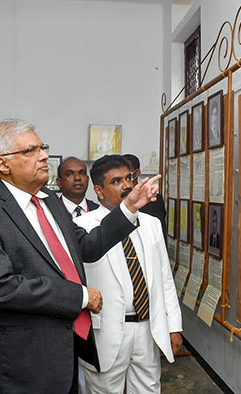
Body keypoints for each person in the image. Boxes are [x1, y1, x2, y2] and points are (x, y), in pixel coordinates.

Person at [0, 119, 160, 394]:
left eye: (42, 148)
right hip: (23, 361)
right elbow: (1, 287)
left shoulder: (49, 201)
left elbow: (87, 245)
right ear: (3, 164)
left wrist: (128, 208)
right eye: (31, 151)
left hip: (65, 351)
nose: (43, 155)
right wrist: (80, 296)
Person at [74, 155, 183, 394]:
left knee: (149, 389)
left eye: (129, 178)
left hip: (147, 328)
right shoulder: (84, 227)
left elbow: (164, 277)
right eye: (116, 181)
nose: (126, 185)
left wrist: (174, 326)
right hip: (107, 331)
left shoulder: (151, 222)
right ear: (99, 191)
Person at [122, 154, 166, 239]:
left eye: (128, 173)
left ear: (137, 173)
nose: (124, 177)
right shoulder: (117, 198)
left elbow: (159, 234)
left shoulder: (153, 199)